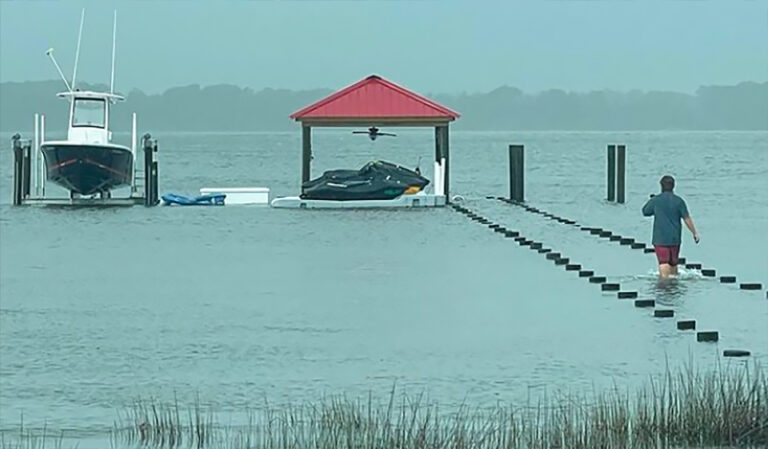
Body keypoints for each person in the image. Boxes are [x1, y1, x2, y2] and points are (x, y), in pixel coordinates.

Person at [642, 175, 700, 278]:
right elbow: (687, 218)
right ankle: (673, 288)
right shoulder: (679, 201)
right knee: (673, 264)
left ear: (661, 186)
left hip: (660, 238)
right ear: (673, 186)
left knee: (663, 263)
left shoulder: (656, 200)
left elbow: (645, 211)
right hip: (675, 238)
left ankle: (664, 288)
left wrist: (652, 200)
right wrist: (694, 233)